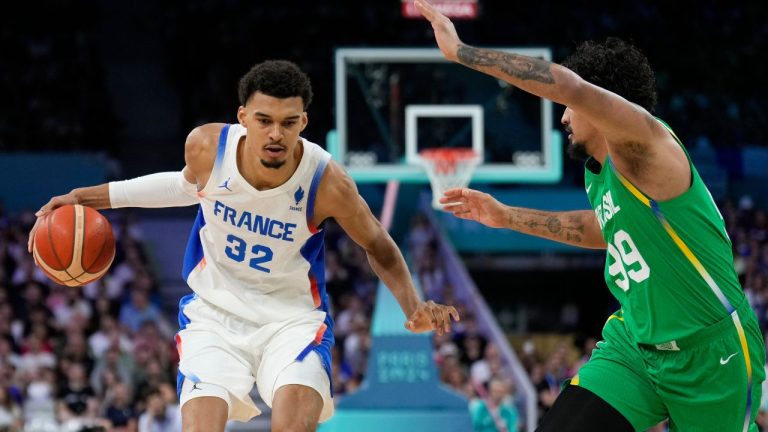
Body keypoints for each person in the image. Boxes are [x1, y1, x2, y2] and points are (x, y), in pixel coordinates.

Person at [28, 59, 460, 431]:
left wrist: (413, 306)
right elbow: (180, 187)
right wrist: (87, 196)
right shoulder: (206, 147)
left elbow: (379, 246)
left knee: (294, 423)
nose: (276, 134)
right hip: (215, 315)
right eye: (264, 120)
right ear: (242, 117)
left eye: (289, 123)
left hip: (291, 321)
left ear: (303, 123)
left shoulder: (327, 182)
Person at [414, 1, 765, 431]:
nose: (562, 116)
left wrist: (462, 52)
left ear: (604, 104)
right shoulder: (598, 172)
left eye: (570, 109)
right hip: (635, 346)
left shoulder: (647, 145)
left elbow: (571, 88)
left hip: (712, 354)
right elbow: (607, 228)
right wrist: (507, 216)